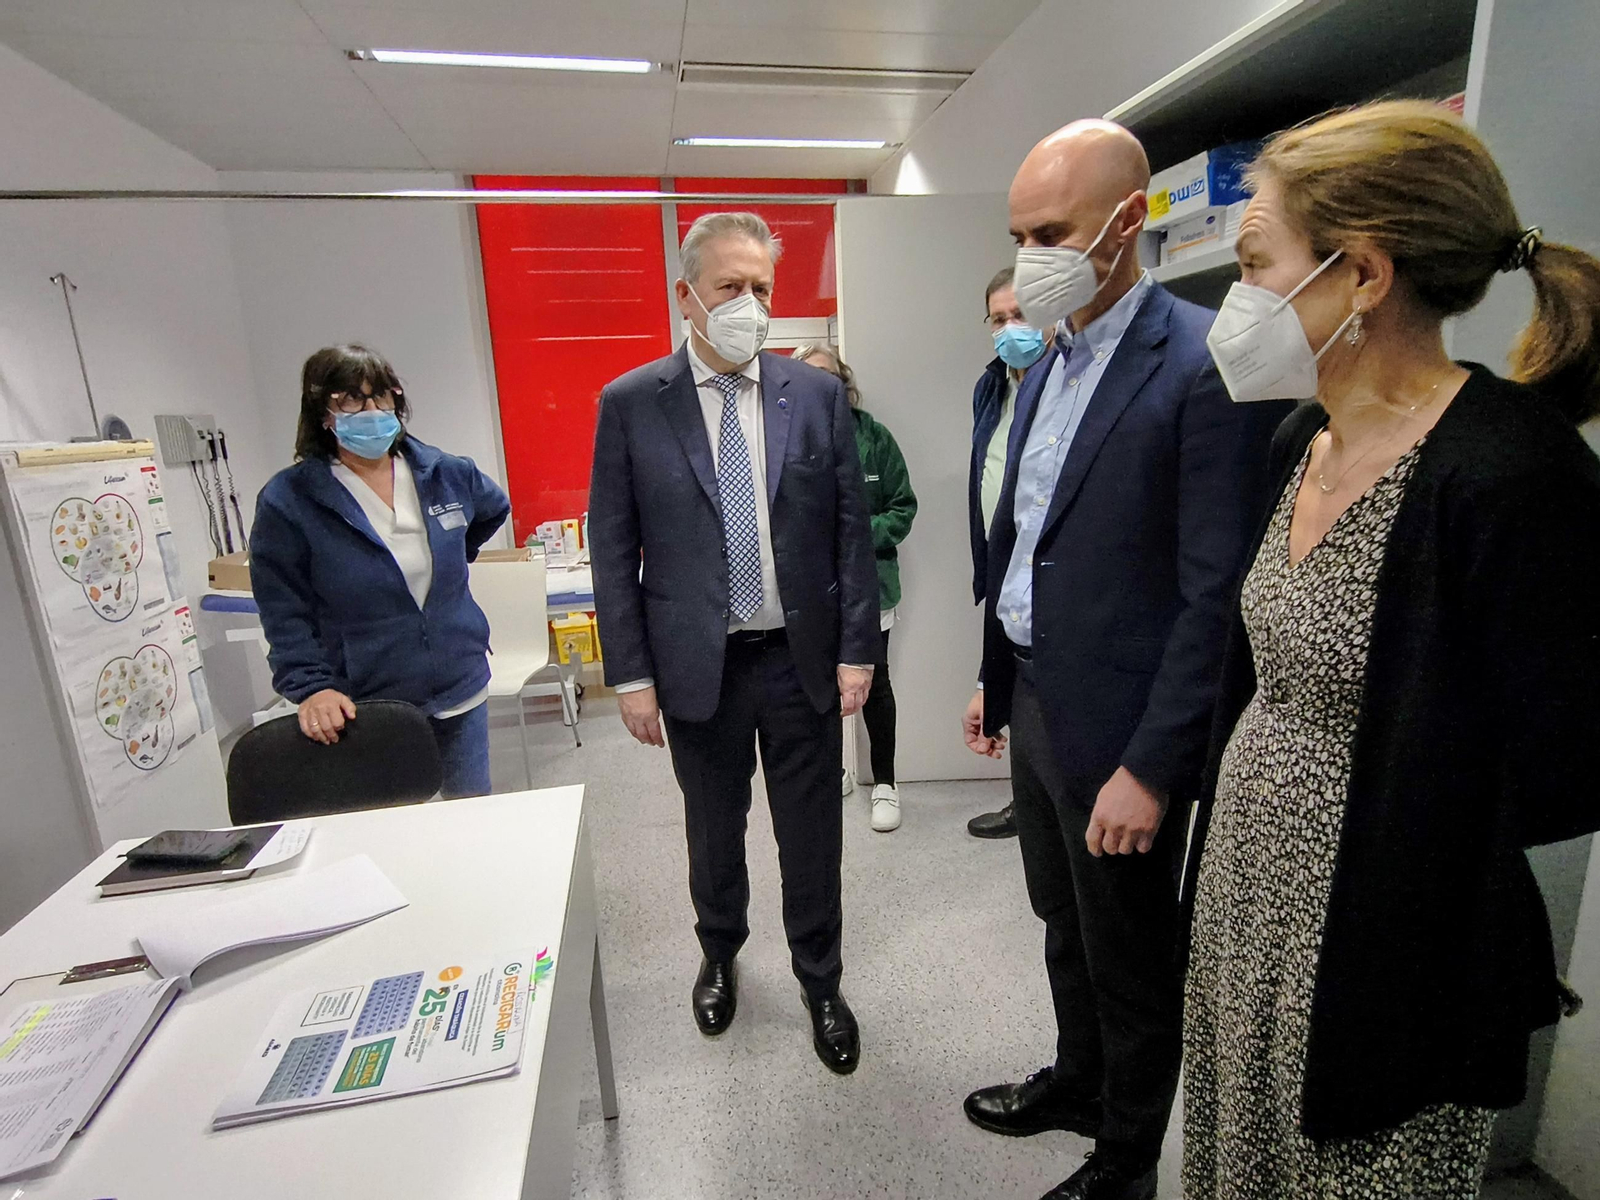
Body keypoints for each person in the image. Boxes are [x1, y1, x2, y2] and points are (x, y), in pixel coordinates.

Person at [1182, 100, 1600, 1200]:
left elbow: (1565, 764)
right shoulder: (1298, 438)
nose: (1239, 301)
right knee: (1244, 1157)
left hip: (1387, 936)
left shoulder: (1509, 469)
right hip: (1246, 888)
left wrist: (1395, 817)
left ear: (1361, 275)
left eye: (1256, 261)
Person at [958, 121, 1289, 1200]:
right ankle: (1079, 1079)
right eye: (1019, 235)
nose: (1033, 255)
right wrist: (994, 675)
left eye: (1049, 231)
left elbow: (1215, 595)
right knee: (1063, 920)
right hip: (1042, 697)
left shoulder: (1197, 368)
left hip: (1125, 727)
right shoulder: (1051, 357)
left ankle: (1129, 1154)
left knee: (1133, 954)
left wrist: (1153, 767)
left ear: (1127, 221)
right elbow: (1031, 532)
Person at [588, 212, 880, 1074]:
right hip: (695, 663)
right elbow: (613, 546)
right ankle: (720, 952)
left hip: (799, 660)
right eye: (730, 288)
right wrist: (630, 675)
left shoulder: (815, 395)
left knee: (811, 831)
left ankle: (820, 979)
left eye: (762, 288)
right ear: (686, 296)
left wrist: (857, 649)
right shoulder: (634, 403)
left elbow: (850, 535)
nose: (750, 304)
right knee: (712, 828)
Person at [250, 344, 511, 800]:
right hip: (366, 702)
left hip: (458, 683)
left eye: (381, 397)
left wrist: (451, 559)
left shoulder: (444, 472)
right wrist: (312, 687)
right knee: (392, 834)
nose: (370, 411)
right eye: (351, 399)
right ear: (323, 411)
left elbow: (493, 509)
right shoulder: (289, 500)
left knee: (472, 824)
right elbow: (282, 608)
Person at [792, 343, 918, 833]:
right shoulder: (786, 441)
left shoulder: (873, 437)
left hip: (871, 587)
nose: (821, 389)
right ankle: (836, 769)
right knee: (818, 685)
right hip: (809, 593)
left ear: (844, 383)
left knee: (874, 682)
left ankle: (884, 783)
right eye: (809, 379)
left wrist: (857, 540)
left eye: (830, 378)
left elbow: (903, 507)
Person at [967, 267, 1049, 840]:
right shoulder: (991, 385)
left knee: (1035, 684)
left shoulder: (1063, 382)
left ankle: (1041, 805)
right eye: (999, 319)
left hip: (1042, 557)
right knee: (1003, 679)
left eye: (1021, 315)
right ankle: (1026, 802)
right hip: (1000, 556)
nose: (1010, 329)